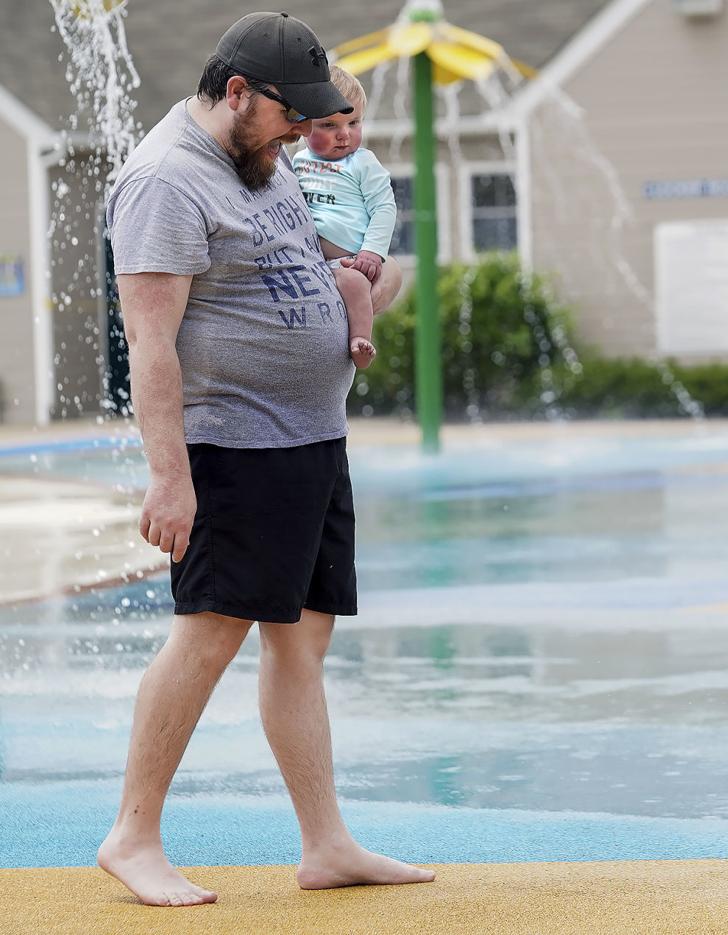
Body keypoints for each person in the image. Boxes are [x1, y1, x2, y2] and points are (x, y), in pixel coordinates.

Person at [97, 12, 434, 907]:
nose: (302, 133)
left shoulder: (261, 157)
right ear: (238, 93)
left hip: (311, 438)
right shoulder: (166, 180)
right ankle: (132, 835)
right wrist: (170, 476)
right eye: (291, 114)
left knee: (303, 638)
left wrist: (361, 283)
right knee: (209, 631)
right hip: (233, 446)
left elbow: (301, 259)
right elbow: (152, 341)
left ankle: (326, 843)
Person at [292, 66, 395, 369]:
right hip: (309, 264)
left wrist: (372, 253)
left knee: (354, 283)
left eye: (354, 121)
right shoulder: (298, 162)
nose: (344, 134)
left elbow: (384, 208)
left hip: (349, 261)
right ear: (303, 125)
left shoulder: (363, 163)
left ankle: (359, 341)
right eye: (329, 124)